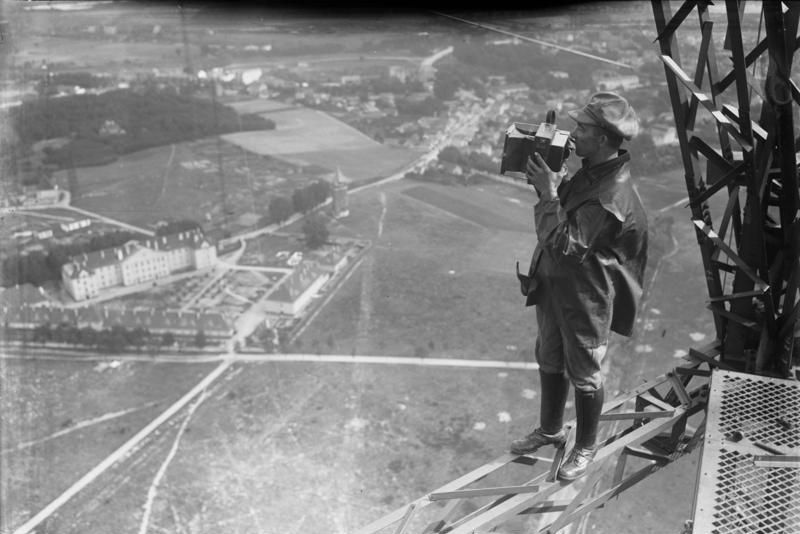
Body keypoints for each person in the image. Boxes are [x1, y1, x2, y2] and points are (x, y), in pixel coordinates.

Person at [511, 92, 648, 481]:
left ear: (604, 139)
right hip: (558, 287)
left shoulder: (611, 195)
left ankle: (585, 447)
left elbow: (568, 245)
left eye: (582, 128)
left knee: (585, 372)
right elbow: (565, 215)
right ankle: (551, 430)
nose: (575, 134)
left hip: (586, 296)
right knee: (550, 356)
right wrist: (549, 181)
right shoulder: (593, 172)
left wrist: (549, 193)